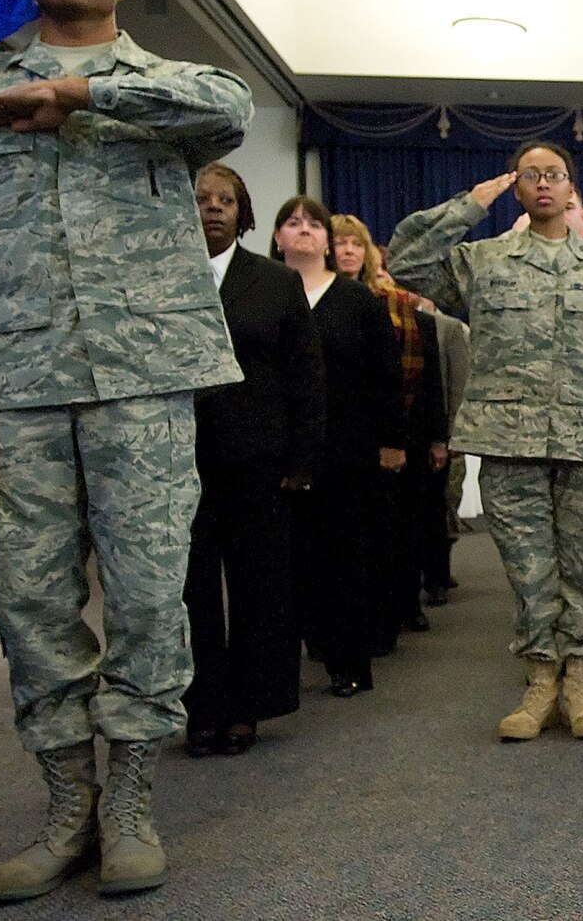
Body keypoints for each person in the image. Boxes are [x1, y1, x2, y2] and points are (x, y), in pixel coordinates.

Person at [0, 0, 252, 900]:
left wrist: (80, 92)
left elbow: (228, 109)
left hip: (142, 377)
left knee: (146, 591)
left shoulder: (165, 90)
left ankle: (130, 798)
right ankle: (67, 803)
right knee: (29, 599)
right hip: (15, 383)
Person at [388, 141, 583, 740]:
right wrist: (470, 203)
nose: (544, 184)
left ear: (571, 190)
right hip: (509, 444)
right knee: (529, 569)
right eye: (531, 175)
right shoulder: (482, 261)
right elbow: (405, 262)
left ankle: (581, 682)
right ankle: (541, 682)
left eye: (555, 175)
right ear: (517, 188)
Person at [184, 165, 325, 756]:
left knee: (257, 587)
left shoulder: (272, 282)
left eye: (227, 200)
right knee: (189, 590)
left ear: (243, 215)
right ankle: (199, 706)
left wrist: (303, 454)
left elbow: (305, 374)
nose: (214, 208)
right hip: (175, 461)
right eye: (202, 199)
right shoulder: (159, 280)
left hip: (258, 458)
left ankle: (246, 707)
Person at [271, 196, 405, 699]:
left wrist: (393, 441)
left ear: (328, 240)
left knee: (345, 559)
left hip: (347, 450)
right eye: (292, 223)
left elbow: (386, 377)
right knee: (288, 562)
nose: (303, 230)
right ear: (277, 237)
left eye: (313, 224)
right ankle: (294, 658)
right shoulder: (264, 293)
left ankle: (349, 660)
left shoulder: (357, 302)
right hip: (278, 451)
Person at [334, 214, 447, 644]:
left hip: (405, 428)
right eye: (339, 243)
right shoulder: (306, 298)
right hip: (344, 431)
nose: (347, 251)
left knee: (402, 526)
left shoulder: (401, 303)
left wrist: (437, 436)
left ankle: (403, 605)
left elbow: (430, 375)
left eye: (355, 244)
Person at [425, 308, 471, 607]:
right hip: (413, 429)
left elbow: (458, 384)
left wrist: (455, 433)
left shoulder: (450, 328)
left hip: (443, 430)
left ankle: (437, 572)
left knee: (444, 502)